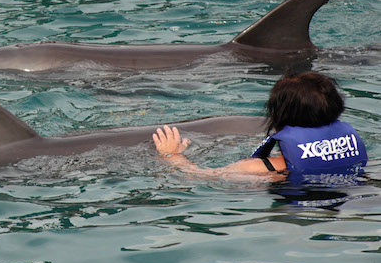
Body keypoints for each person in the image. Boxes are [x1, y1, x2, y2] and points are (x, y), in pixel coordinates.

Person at [152, 72, 368, 184]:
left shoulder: (261, 168)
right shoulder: (350, 150)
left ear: (278, 115)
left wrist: (172, 155)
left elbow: (200, 177)